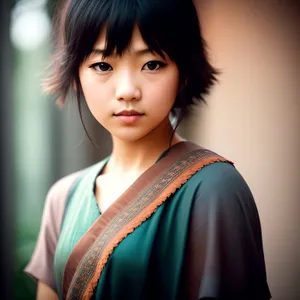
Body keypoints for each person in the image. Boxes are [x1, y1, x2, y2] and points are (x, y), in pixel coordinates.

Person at [25, 0, 271, 299]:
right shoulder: (64, 198)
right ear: (76, 75)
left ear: (184, 72)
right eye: (103, 65)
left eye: (152, 64)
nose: (128, 90)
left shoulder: (215, 189)